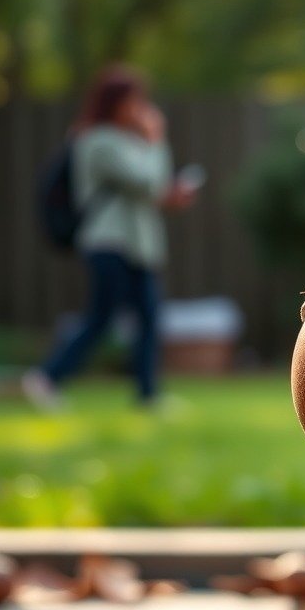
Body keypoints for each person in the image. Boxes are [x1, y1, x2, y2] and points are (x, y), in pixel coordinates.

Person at [23, 66, 195, 407]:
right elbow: (148, 181)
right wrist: (157, 137)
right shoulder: (96, 140)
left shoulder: (126, 141)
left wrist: (171, 194)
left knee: (148, 318)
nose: (139, 109)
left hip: (138, 247)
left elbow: (151, 189)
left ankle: (147, 395)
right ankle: (46, 378)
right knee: (101, 318)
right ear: (113, 103)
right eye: (133, 101)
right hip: (108, 244)